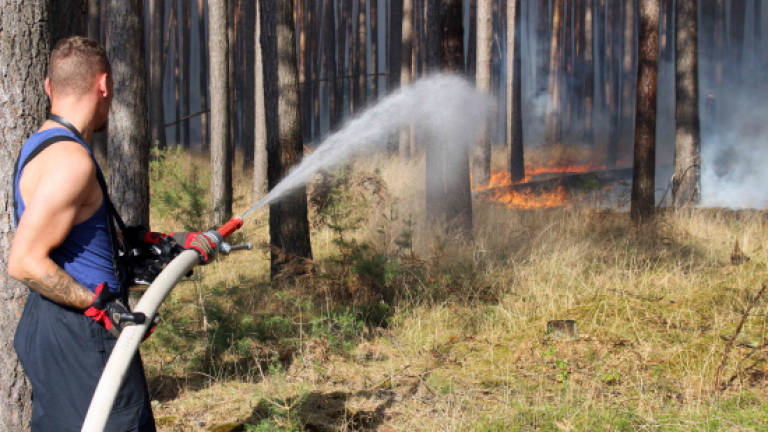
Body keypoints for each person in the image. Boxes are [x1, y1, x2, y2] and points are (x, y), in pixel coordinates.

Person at [7, 36, 216, 431]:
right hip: (82, 338)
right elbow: (24, 261)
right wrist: (104, 310)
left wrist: (165, 244)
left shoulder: (41, 145)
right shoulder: (71, 162)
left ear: (50, 87)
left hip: (57, 330)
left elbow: (76, 238)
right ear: (104, 85)